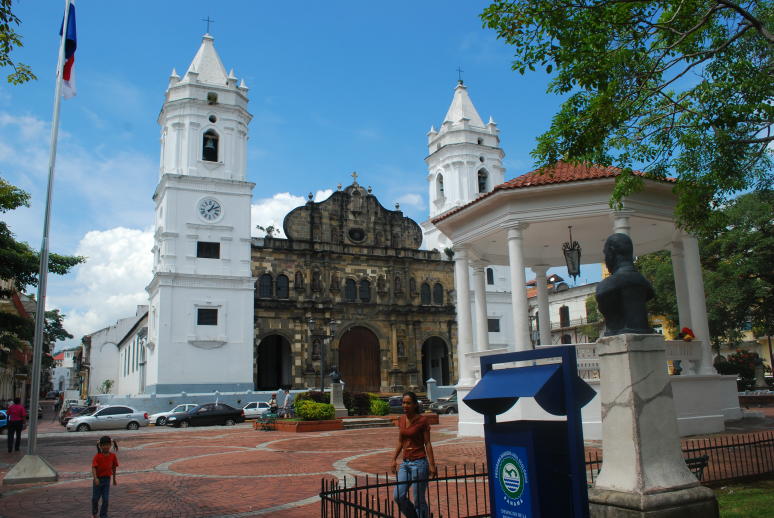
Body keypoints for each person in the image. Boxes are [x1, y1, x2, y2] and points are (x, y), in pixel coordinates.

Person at [391, 391, 437, 518]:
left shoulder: (422, 421)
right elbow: (401, 441)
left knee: (419, 500)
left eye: (408, 403)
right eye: (403, 403)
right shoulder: (401, 420)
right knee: (398, 496)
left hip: (419, 463)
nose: (405, 405)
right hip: (405, 463)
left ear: (415, 405)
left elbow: (427, 443)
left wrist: (432, 465)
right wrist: (394, 459)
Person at [91, 435, 119, 518]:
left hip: (107, 480)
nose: (106, 447)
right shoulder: (97, 456)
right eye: (104, 445)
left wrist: (114, 479)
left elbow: (114, 467)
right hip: (98, 480)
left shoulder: (113, 456)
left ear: (110, 445)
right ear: (101, 446)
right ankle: (94, 512)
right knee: (95, 498)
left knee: (106, 499)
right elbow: (93, 467)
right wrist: (95, 478)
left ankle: (103, 515)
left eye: (108, 445)